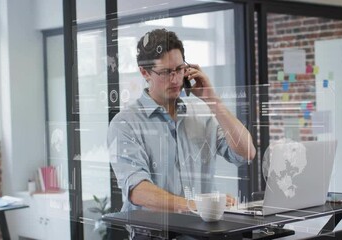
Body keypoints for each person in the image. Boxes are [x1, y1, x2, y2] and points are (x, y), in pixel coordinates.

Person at [107, 28, 255, 221]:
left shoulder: (203, 113)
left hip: (201, 232)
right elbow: (138, 190)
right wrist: (195, 206)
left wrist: (213, 100)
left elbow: (246, 153)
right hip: (154, 234)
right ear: (145, 72)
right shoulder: (125, 123)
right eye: (166, 72)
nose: (175, 79)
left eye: (179, 69)